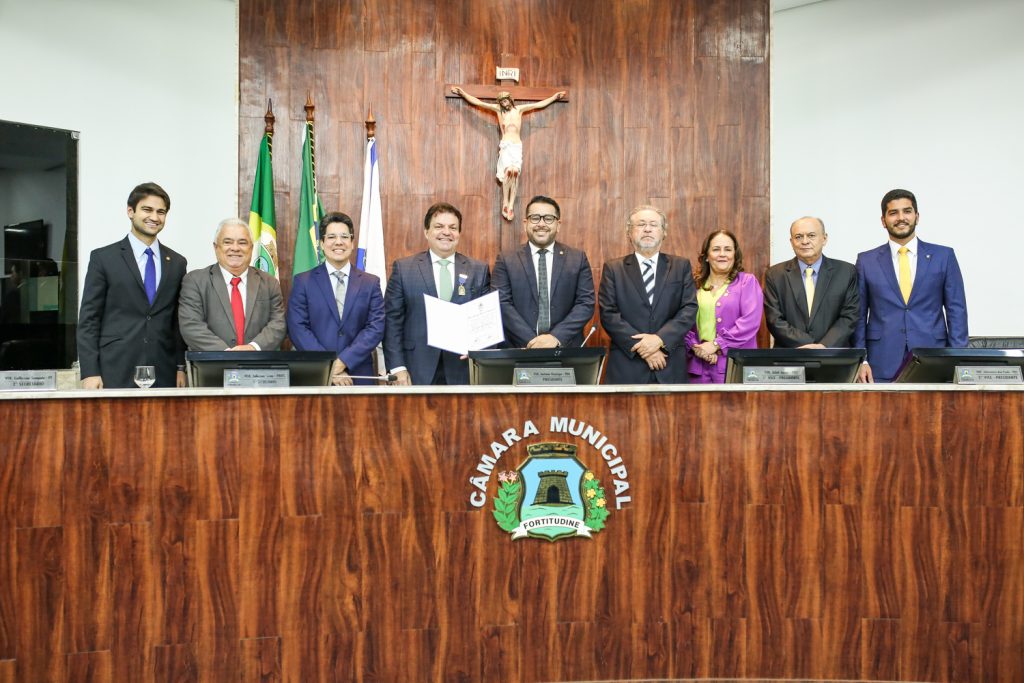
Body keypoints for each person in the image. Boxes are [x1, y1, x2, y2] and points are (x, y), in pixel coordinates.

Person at [77, 182, 188, 388]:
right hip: (114, 370)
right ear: (130, 211)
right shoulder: (103, 258)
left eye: (161, 212)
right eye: (147, 209)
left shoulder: (177, 263)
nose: (154, 217)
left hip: (164, 371)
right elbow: (89, 319)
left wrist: (180, 367)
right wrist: (90, 372)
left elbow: (176, 322)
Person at [855, 188, 967, 383]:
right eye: (893, 213)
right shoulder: (866, 261)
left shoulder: (944, 256)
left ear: (917, 216)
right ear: (883, 220)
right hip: (880, 361)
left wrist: (958, 358)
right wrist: (861, 360)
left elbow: (956, 310)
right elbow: (858, 315)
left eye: (907, 211)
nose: (901, 218)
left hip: (934, 356)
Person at [383, 202, 491, 385]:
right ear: (426, 232)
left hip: (463, 369)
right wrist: (397, 368)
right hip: (415, 369)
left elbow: (487, 320)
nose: (446, 232)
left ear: (459, 233)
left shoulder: (478, 270)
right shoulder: (404, 268)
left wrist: (478, 350)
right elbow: (391, 321)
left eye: (453, 227)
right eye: (439, 226)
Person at [599, 205, 698, 383]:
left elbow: (689, 309)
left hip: (669, 363)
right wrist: (644, 348)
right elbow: (608, 314)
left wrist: (660, 340)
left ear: (663, 232)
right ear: (629, 233)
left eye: (653, 224)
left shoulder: (680, 266)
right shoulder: (613, 268)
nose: (647, 229)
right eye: (641, 224)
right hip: (627, 365)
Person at [287, 212, 385, 385]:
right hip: (315, 373)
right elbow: (298, 328)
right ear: (322, 243)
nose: (338, 242)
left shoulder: (370, 283)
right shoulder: (303, 281)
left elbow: (375, 327)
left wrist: (343, 362)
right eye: (331, 237)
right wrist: (328, 365)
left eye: (344, 237)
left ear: (352, 243)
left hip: (359, 375)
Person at [491, 195, 595, 349]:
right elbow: (501, 303)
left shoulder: (577, 258)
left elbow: (585, 303)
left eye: (548, 218)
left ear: (558, 224)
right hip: (519, 349)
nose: (541, 224)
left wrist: (556, 337)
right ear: (525, 223)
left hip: (565, 349)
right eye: (535, 218)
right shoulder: (506, 259)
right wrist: (533, 342)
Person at [450, 87, 566, 221]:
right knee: (508, 172)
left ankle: (510, 205)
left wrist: (554, 97)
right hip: (506, 145)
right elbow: (479, 103)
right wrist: (463, 93)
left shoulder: (519, 110)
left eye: (506, 100)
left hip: (516, 146)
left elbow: (538, 104)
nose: (504, 103)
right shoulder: (499, 111)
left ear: (510, 100)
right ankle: (505, 202)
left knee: (515, 173)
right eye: (502, 102)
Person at [178, 218, 286, 351]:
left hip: (258, 366)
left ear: (251, 247)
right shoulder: (195, 281)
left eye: (242, 242)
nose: (235, 248)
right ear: (216, 247)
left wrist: (253, 347)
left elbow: (278, 324)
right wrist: (226, 354)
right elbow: (191, 325)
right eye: (227, 242)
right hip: (211, 367)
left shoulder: (269, 283)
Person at [764, 216, 859, 348]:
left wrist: (824, 345)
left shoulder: (846, 272)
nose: (805, 241)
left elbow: (850, 316)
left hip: (834, 357)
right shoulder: (775, 274)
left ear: (824, 238)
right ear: (791, 242)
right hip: (790, 357)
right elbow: (774, 319)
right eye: (798, 237)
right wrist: (809, 345)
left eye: (811, 235)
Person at [684, 230, 763, 383]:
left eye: (728, 249)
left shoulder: (747, 282)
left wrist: (716, 345)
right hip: (698, 365)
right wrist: (697, 348)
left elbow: (750, 322)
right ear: (706, 256)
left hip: (734, 366)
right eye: (716, 249)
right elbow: (681, 320)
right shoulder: (693, 285)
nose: (722, 254)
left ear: (735, 255)